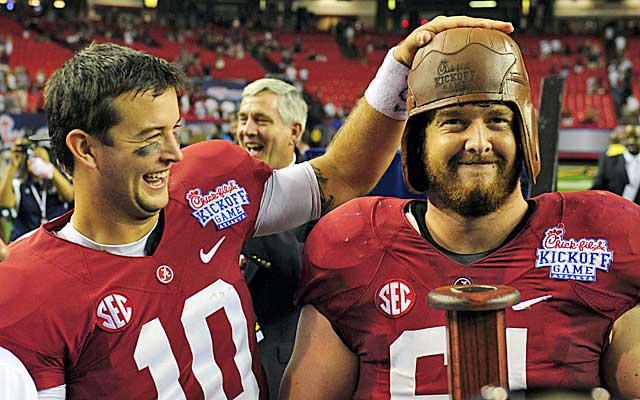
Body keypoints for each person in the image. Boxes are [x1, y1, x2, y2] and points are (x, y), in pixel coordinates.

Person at [0, 17, 514, 399]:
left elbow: (340, 176)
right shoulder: (29, 290)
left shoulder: (206, 188)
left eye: (174, 131)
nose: (175, 153)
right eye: (150, 137)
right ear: (84, 148)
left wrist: (398, 69)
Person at [281, 27, 640, 400]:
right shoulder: (353, 244)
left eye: (497, 120)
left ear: (524, 136)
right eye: (454, 121)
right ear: (418, 142)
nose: (479, 142)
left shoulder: (600, 237)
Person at [235, 78, 310, 399]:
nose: (248, 130)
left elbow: (305, 272)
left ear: (294, 132)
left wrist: (240, 209)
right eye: (242, 118)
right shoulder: (221, 184)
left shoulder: (321, 193)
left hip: (280, 368)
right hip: (212, 361)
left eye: (261, 120)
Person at [0, 134, 73, 241]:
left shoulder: (55, 181)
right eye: (32, 156)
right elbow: (4, 203)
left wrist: (49, 168)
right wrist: (12, 166)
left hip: (55, 243)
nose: (35, 160)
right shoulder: (19, 184)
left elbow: (70, 196)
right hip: (26, 244)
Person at [591, 124, 640, 204]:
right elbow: (598, 187)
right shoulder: (608, 160)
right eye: (628, 137)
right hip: (614, 212)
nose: (631, 142)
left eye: (636, 138)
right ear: (623, 139)